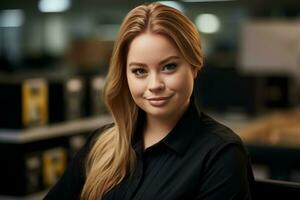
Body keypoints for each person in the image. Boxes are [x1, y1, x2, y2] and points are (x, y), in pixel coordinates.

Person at [44, 2, 254, 200]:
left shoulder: (221, 155)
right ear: (125, 75)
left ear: (194, 66)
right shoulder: (102, 143)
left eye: (169, 67)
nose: (154, 84)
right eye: (139, 71)